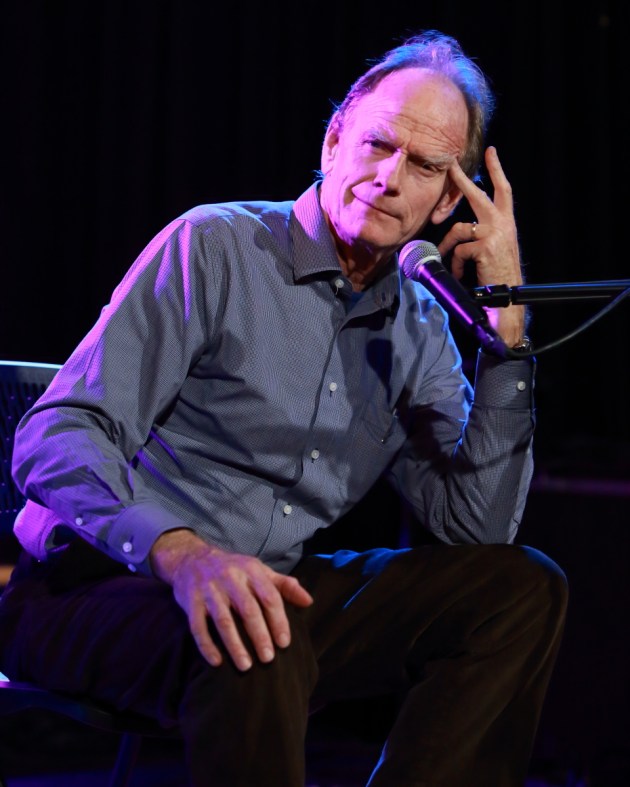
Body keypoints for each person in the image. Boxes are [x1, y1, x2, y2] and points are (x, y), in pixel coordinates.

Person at [0, 29, 568, 786]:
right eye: (377, 145)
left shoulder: (423, 323)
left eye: (425, 166)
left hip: (271, 590)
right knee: (258, 636)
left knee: (518, 590)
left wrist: (506, 328)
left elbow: (477, 531)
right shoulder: (215, 247)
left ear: (446, 202)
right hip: (98, 587)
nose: (389, 178)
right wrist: (184, 553)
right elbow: (55, 432)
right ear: (333, 142)